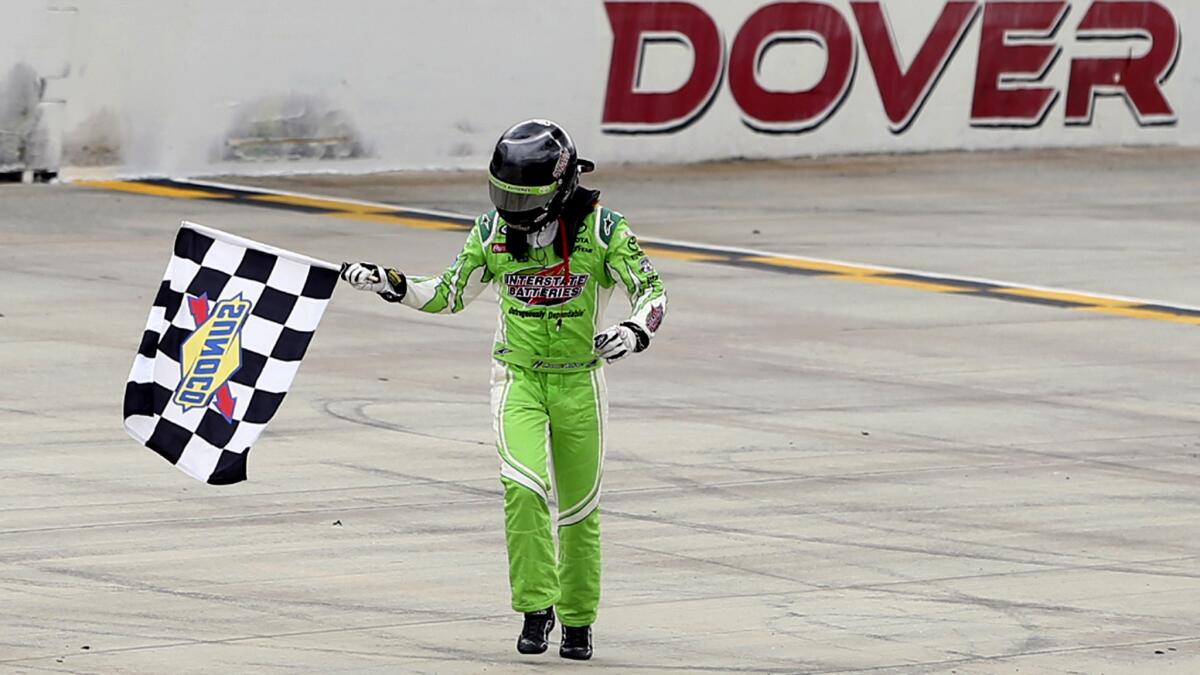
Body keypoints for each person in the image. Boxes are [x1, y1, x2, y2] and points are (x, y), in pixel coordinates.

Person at [340, 119, 667, 660]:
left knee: (580, 508)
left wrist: (635, 332)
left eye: (523, 196)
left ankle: (579, 621)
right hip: (517, 378)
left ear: (560, 187)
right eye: (503, 193)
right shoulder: (489, 232)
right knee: (524, 489)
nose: (510, 207)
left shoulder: (605, 230)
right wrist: (389, 283)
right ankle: (536, 608)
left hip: (580, 383)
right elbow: (449, 294)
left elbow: (651, 291)